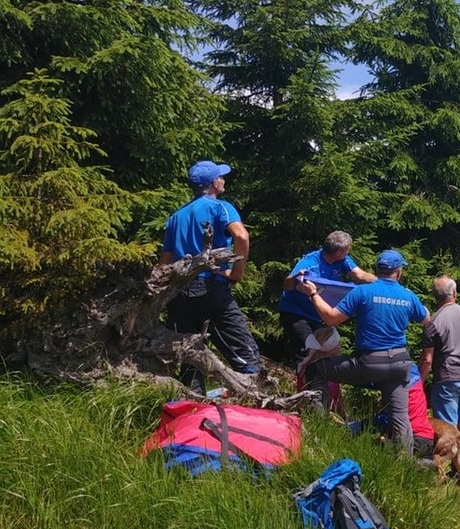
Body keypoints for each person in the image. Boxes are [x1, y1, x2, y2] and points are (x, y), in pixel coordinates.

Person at [297, 250, 430, 454]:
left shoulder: (363, 292)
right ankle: (405, 468)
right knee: (400, 416)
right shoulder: (408, 296)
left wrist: (313, 294)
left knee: (316, 370)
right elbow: (425, 320)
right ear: (398, 271)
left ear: (377, 270)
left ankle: (320, 428)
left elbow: (331, 318)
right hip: (400, 364)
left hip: (368, 362)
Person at [160, 160, 261, 390]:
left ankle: (192, 410)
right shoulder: (220, 207)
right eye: (221, 177)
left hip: (179, 294)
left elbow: (165, 259)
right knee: (245, 353)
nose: (224, 180)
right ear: (214, 183)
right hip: (210, 288)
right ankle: (257, 406)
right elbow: (242, 237)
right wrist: (237, 273)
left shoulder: (177, 216)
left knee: (190, 357)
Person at [279, 231, 376, 365]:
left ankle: (321, 384)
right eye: (347, 250)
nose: (348, 252)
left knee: (325, 353)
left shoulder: (343, 260)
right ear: (338, 252)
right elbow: (287, 285)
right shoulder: (310, 262)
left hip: (317, 314)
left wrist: (383, 283)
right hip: (296, 312)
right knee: (307, 353)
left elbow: (360, 275)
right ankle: (308, 385)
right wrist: (294, 277)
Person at [420, 275, 460, 478]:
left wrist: (418, 384)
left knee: (449, 429)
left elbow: (428, 360)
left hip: (446, 378)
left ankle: (446, 473)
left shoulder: (434, 321)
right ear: (454, 293)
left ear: (435, 296)